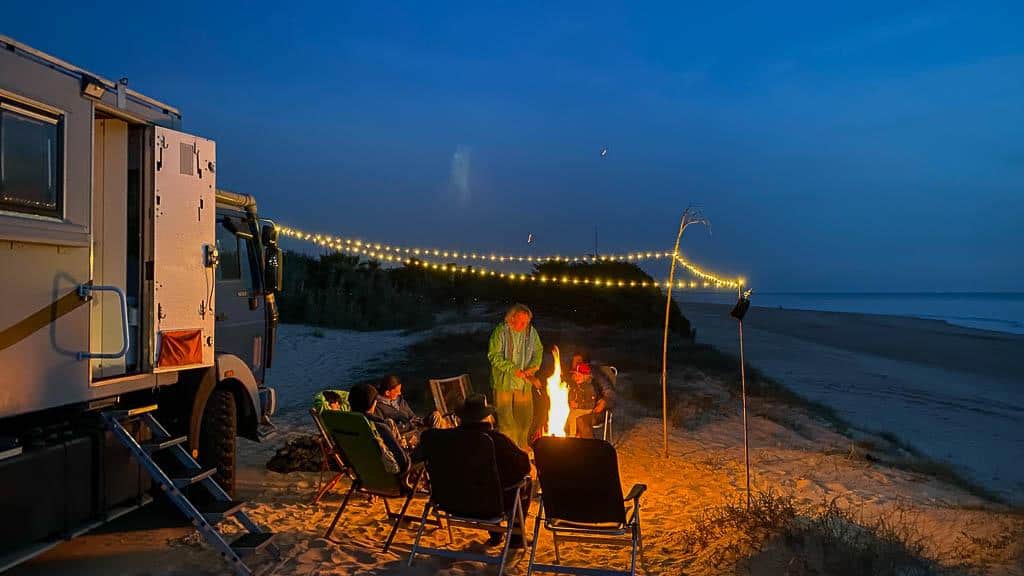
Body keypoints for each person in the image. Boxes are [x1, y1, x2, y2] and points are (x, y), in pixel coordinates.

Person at [456, 394, 532, 549]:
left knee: (485, 482)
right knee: (525, 482)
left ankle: (495, 533)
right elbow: (524, 465)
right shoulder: (496, 440)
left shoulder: (450, 439)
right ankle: (516, 538)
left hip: (455, 501)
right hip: (492, 503)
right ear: (486, 417)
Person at [488, 303, 542, 450]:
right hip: (504, 382)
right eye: (521, 321)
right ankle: (509, 449)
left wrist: (533, 367)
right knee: (506, 420)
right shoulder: (500, 332)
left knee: (525, 417)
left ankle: (522, 447)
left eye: (526, 322)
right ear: (511, 318)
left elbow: (538, 351)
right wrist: (513, 369)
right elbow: (494, 356)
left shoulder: (531, 333)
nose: (524, 325)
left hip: (524, 383)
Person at [347, 382, 410, 476]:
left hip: (362, 472)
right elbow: (403, 461)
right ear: (372, 403)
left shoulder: (346, 425)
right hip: (390, 473)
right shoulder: (380, 427)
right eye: (375, 400)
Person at [565, 360, 614, 438]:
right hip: (578, 408)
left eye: (578, 375)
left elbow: (609, 392)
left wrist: (605, 401)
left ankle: (589, 446)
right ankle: (573, 439)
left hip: (594, 409)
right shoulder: (575, 380)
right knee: (567, 417)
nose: (575, 376)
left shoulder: (595, 379)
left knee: (581, 420)